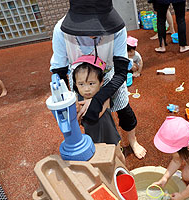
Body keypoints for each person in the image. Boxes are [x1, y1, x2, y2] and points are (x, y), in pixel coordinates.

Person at [50, 0, 147, 159]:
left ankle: (133, 141)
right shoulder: (61, 30)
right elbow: (59, 71)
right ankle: (105, 148)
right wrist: (69, 98)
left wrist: (101, 98)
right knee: (90, 118)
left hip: (110, 75)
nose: (95, 30)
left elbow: (122, 72)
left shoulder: (117, 28)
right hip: (81, 80)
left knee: (125, 113)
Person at [72, 55, 125, 163]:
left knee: (117, 154)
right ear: (76, 84)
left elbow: (94, 115)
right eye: (81, 84)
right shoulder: (78, 98)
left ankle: (126, 172)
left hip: (109, 134)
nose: (86, 89)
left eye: (91, 83)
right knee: (99, 158)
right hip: (92, 136)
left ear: (101, 82)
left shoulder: (103, 97)